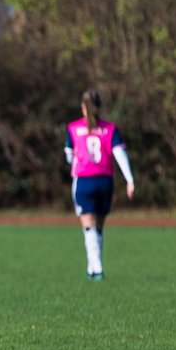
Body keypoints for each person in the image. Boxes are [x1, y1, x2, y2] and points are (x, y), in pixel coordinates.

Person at [65, 89, 134, 280]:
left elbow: (69, 156)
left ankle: (97, 268)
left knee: (89, 227)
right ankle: (93, 268)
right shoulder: (110, 129)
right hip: (105, 181)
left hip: (84, 180)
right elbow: (120, 155)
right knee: (99, 227)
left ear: (83, 107)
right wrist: (130, 180)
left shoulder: (73, 128)